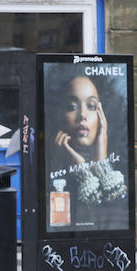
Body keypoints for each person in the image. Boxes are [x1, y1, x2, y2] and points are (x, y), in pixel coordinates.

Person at [46, 71, 128, 232]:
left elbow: (117, 224)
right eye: (72, 107)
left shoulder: (122, 160)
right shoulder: (49, 162)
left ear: (101, 117)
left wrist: (101, 164)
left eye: (91, 106)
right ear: (60, 116)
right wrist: (75, 166)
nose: (82, 115)